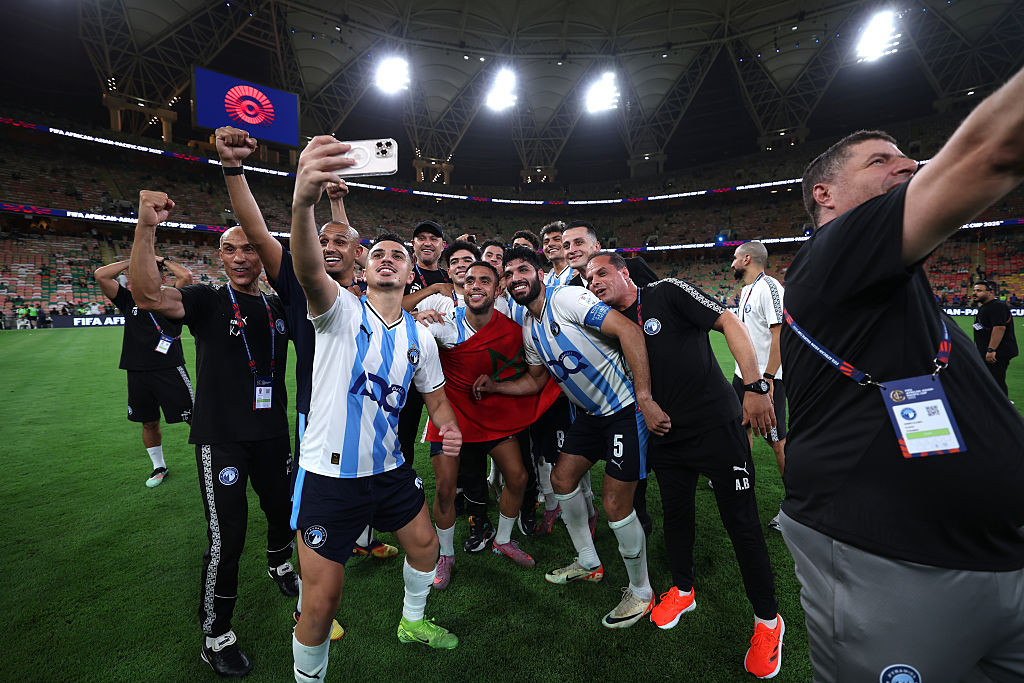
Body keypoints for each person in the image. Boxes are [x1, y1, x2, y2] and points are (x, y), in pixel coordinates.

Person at [782, 65, 1024, 683]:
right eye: (880, 160)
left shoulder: (901, 289)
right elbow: (994, 152)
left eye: (907, 156)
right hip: (895, 565)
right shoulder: (833, 252)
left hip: (1000, 556)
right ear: (824, 194)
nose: (909, 164)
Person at [288, 137, 463, 682]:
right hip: (330, 477)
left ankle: (412, 622)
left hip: (389, 470)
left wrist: (449, 427)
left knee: (425, 547)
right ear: (363, 270)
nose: (388, 259)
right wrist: (304, 202)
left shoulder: (420, 337)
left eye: (398, 256)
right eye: (379, 254)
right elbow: (308, 270)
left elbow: (435, 397)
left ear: (412, 275)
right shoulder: (338, 309)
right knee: (322, 602)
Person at [586, 253, 785, 679]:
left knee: (742, 524)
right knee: (677, 517)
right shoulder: (609, 324)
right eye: (587, 278)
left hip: (717, 429)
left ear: (624, 272)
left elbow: (729, 322)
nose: (593, 281)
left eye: (601, 272)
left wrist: (755, 385)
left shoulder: (667, 292)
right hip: (666, 436)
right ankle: (682, 589)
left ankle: (768, 620)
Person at [129, 190, 298, 678]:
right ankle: (216, 634)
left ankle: (280, 563)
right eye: (230, 249)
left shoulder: (279, 306)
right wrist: (146, 226)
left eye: (250, 248)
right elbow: (147, 296)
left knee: (282, 511)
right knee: (228, 536)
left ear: (263, 254)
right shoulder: (207, 300)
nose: (241, 257)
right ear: (219, 256)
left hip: (272, 433)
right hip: (221, 439)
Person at [473, 246, 671, 629]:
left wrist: (645, 397)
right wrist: (496, 387)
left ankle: (641, 591)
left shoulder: (566, 298)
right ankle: (589, 561)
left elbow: (629, 330)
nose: (515, 278)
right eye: (509, 274)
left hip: (624, 409)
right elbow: (535, 381)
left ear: (540, 273)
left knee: (615, 503)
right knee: (562, 480)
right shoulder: (530, 327)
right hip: (591, 416)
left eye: (523, 269)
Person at [418, 260, 562, 587]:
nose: (476, 285)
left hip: (491, 418)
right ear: (462, 287)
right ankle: (445, 555)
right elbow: (419, 337)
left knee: (518, 476)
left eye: (485, 280)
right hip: (452, 419)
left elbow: (532, 376)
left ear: (497, 290)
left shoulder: (512, 331)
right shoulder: (446, 324)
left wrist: (496, 387)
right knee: (445, 490)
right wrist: (417, 321)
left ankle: (503, 540)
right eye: (470, 280)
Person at [562, 219, 658, 535]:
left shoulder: (631, 268)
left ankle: (641, 516)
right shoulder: (570, 290)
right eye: (566, 245)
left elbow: (655, 310)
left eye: (579, 242)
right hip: (604, 391)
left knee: (648, 458)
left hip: (645, 380)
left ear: (596, 246)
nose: (572, 249)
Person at [94, 256, 194, 488]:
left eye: (150, 272)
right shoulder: (128, 299)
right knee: (148, 422)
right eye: (141, 273)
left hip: (169, 368)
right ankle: (159, 466)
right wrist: (134, 259)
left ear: (161, 277)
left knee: (193, 417)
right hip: (137, 371)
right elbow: (101, 275)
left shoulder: (172, 296)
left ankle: (217, 456)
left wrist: (162, 260)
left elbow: (186, 276)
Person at [729, 240, 787, 529]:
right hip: (742, 376)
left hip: (766, 379)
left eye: (735, 258)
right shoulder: (746, 290)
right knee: (741, 428)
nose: (732, 263)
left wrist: (769, 377)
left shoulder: (770, 287)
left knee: (777, 441)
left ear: (747, 259)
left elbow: (780, 334)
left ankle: (796, 505)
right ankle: (743, 478)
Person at [395, 220, 451, 471]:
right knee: (402, 431)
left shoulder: (450, 275)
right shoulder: (403, 272)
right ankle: (401, 478)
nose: (427, 243)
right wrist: (433, 290)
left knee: (450, 428)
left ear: (442, 245)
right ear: (413, 244)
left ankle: (459, 485)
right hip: (406, 365)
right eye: (421, 238)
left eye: (433, 238)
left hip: (444, 366)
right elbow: (390, 307)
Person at [972, 279, 1018, 395]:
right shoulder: (987, 306)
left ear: (990, 292)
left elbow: (999, 328)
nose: (975, 293)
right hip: (991, 351)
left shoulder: (996, 306)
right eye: (974, 290)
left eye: (979, 291)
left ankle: (1003, 404)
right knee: (991, 380)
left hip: (997, 352)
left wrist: (991, 350)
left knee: (996, 381)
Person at [540, 221, 574, 286]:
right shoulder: (544, 281)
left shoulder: (581, 274)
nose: (550, 244)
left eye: (557, 239)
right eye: (546, 242)